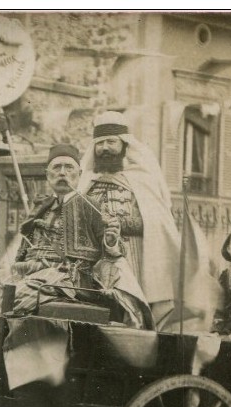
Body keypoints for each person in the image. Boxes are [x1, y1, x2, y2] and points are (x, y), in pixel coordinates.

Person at [0, 143, 129, 394]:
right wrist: (12, 270)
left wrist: (112, 239)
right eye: (56, 168)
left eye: (68, 167)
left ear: (79, 174)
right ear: (48, 176)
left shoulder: (92, 205)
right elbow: (24, 249)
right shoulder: (42, 205)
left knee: (12, 302)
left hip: (68, 278)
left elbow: (114, 249)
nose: (62, 173)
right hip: (30, 274)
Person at [75, 110, 185, 331]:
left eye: (111, 142)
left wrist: (118, 224)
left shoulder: (142, 179)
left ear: (124, 146)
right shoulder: (86, 181)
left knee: (132, 314)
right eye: (100, 143)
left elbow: (157, 224)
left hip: (133, 258)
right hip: (92, 257)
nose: (105, 148)